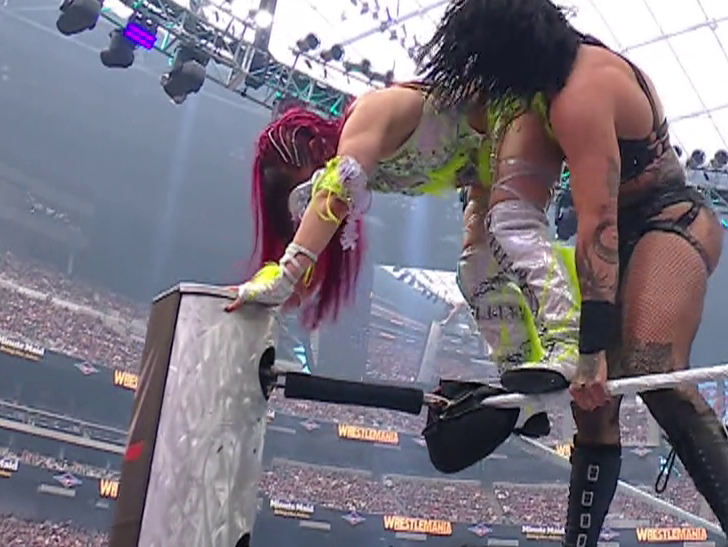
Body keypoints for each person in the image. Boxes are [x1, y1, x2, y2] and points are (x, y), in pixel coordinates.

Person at [416, 0, 728, 547]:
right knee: (593, 401)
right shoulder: (543, 92)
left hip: (669, 221)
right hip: (621, 236)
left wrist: (590, 349)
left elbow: (599, 226)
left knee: (648, 366)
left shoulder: (580, 91)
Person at [229, 84, 578, 393]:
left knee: (511, 227)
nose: (309, 207)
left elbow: (334, 193)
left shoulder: (366, 118)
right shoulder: (363, 165)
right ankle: (521, 371)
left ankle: (567, 344)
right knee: (475, 269)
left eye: (308, 188)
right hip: (487, 159)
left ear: (315, 146)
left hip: (514, 117)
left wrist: (285, 275)